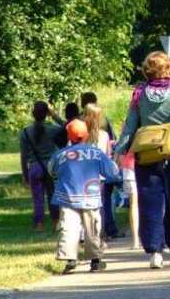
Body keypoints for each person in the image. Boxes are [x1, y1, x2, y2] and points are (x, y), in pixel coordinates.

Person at [114, 51, 170, 269]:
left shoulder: (139, 94)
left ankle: (154, 253)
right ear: (169, 67)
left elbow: (131, 125)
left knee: (150, 203)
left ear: (147, 70)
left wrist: (120, 150)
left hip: (147, 154)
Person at [49, 119, 120, 275]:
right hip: (91, 196)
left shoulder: (61, 155)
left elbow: (51, 170)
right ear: (87, 135)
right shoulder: (95, 153)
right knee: (92, 228)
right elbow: (112, 172)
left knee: (68, 228)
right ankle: (95, 261)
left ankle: (70, 261)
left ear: (69, 136)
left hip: (67, 197)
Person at [20, 101, 63, 232]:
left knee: (37, 198)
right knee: (52, 196)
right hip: (50, 167)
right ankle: (56, 222)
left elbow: (24, 155)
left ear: (33, 114)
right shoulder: (53, 129)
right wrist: (54, 115)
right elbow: (67, 126)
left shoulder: (26, 132)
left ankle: (39, 224)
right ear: (46, 114)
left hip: (34, 168)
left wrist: (25, 174)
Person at [83, 103, 121, 242]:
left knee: (87, 205)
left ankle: (88, 233)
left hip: (84, 175)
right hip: (101, 176)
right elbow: (108, 155)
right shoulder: (104, 135)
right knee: (103, 204)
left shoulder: (82, 136)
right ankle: (102, 232)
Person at [120, 151, 140, 249]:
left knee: (134, 205)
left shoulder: (128, 134)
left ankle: (135, 240)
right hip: (149, 162)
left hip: (129, 165)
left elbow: (120, 148)